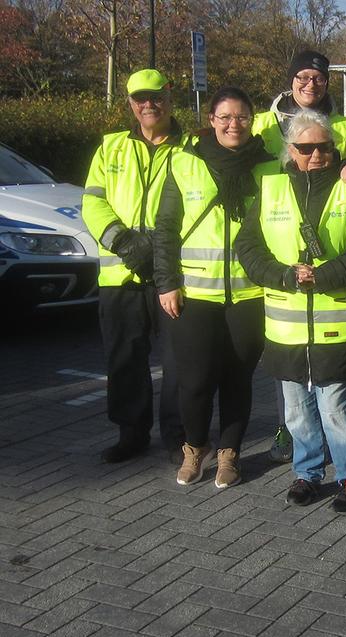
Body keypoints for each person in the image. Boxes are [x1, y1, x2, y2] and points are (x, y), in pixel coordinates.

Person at [236, 109, 346, 512]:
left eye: (324, 147)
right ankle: (307, 473)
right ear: (290, 151)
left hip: (336, 328)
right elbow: (248, 249)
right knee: (298, 412)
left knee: (337, 409)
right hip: (286, 330)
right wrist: (284, 275)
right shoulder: (271, 190)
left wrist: (324, 276)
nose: (316, 155)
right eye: (306, 148)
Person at [153, 86, 278, 488]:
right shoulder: (185, 162)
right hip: (195, 294)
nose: (233, 124)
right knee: (195, 381)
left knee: (238, 380)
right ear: (211, 121)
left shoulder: (270, 166)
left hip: (249, 294)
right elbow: (166, 229)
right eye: (224, 117)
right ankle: (194, 448)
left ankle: (229, 454)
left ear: (253, 120)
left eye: (242, 116)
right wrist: (167, 283)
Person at [251, 49, 346, 465]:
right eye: (302, 77)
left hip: (323, 241)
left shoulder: (345, 125)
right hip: (275, 227)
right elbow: (233, 143)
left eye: (318, 77)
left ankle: (337, 452)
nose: (310, 84)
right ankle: (290, 434)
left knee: (329, 375)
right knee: (288, 357)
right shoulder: (264, 122)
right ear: (290, 79)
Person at [83, 68, 186, 464]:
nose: (149, 104)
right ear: (130, 103)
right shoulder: (110, 148)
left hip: (170, 275)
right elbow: (92, 202)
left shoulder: (190, 147)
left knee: (179, 361)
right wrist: (123, 242)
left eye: (155, 96)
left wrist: (159, 255)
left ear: (169, 96)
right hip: (120, 273)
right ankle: (131, 433)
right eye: (140, 98)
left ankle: (178, 435)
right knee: (124, 358)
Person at [251, 49, 346, 160]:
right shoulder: (258, 124)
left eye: (319, 79)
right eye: (304, 78)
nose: (311, 84)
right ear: (291, 81)